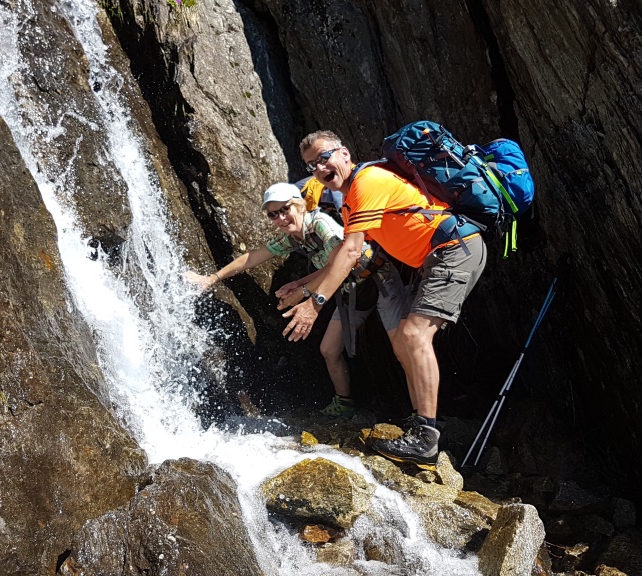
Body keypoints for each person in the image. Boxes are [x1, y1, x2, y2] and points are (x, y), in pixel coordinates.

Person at [281, 130, 488, 468]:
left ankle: (426, 437)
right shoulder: (350, 203)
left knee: (414, 335)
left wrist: (314, 304)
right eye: (311, 165)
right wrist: (302, 288)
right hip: (438, 258)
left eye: (324, 157)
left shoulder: (368, 182)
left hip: (455, 249)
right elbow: (345, 258)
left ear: (344, 154)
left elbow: (351, 252)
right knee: (405, 340)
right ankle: (424, 422)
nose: (319, 168)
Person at [185, 182, 409, 417]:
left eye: (285, 209)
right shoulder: (293, 239)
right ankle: (344, 404)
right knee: (329, 350)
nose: (281, 218)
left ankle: (419, 414)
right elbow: (252, 258)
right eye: (273, 214)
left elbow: (341, 263)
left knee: (403, 348)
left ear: (300, 206)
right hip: (350, 289)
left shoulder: (320, 224)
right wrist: (212, 278)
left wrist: (303, 290)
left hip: (378, 280)